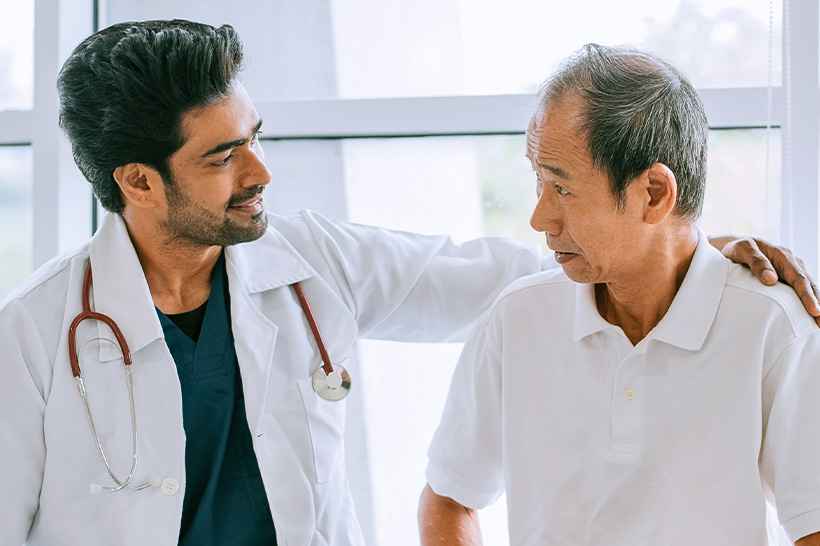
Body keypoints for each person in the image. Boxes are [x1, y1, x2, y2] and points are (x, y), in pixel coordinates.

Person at [0, 21, 814, 546]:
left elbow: (508, 277)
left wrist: (684, 248)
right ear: (139, 183)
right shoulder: (34, 338)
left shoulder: (312, 264)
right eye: (222, 157)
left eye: (253, 137)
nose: (260, 170)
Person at [419, 44, 820, 546]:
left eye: (562, 188)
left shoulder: (774, 327)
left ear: (654, 193)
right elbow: (451, 498)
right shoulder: (517, 317)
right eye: (537, 181)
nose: (540, 218)